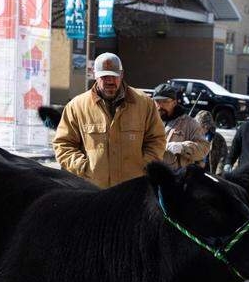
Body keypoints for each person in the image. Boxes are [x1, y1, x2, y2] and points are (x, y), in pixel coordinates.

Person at [51, 53, 166, 188]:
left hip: (133, 189)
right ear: (95, 75)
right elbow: (63, 144)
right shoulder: (76, 106)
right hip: (94, 190)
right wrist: (83, 167)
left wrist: (144, 167)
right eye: (104, 76)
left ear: (122, 75)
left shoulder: (144, 103)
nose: (110, 80)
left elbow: (157, 140)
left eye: (114, 76)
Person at [151, 84, 209, 169]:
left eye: (164, 101)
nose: (160, 105)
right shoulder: (149, 121)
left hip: (176, 177)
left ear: (174, 102)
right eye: (157, 101)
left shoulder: (189, 123)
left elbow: (204, 149)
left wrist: (182, 147)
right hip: (150, 174)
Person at [196, 109, 228, 175]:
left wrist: (218, 174)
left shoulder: (218, 139)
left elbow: (223, 158)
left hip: (211, 173)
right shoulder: (193, 136)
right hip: (195, 171)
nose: (201, 128)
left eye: (203, 126)